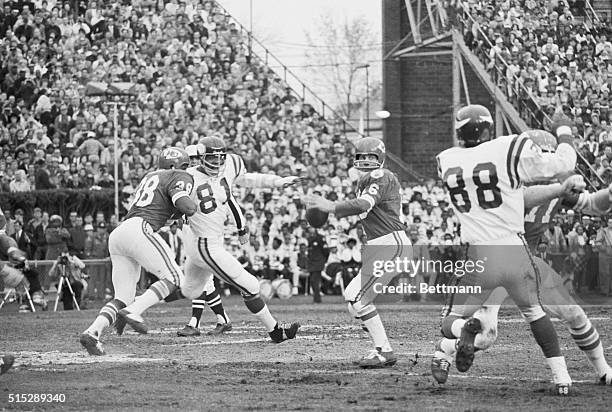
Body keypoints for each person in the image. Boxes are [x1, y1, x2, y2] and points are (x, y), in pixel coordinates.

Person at [432, 128, 612, 387]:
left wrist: (608, 194)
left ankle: (603, 369)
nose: (545, 162)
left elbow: (594, 205)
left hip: (526, 263)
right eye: (542, 155)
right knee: (485, 336)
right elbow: (526, 197)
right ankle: (444, 349)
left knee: (574, 313)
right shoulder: (510, 178)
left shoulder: (551, 186)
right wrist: (558, 188)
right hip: (499, 255)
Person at [175, 137, 301, 343]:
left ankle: (135, 306)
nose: (216, 163)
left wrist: (277, 181)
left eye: (219, 158)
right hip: (205, 244)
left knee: (189, 290)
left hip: (207, 243)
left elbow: (249, 180)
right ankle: (276, 331)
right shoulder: (188, 177)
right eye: (211, 158)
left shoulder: (230, 166)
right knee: (251, 285)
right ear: (200, 157)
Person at [80, 147, 198, 356]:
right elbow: (186, 205)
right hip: (140, 229)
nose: (187, 170)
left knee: (123, 296)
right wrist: (193, 209)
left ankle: (92, 332)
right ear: (173, 166)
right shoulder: (178, 175)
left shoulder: (150, 176)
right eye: (184, 166)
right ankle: (134, 311)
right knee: (175, 277)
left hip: (119, 233)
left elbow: (162, 205)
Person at [305, 136, 410, 368]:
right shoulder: (365, 181)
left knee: (358, 299)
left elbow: (363, 205)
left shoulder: (382, 175)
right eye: (360, 157)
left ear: (380, 158)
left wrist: (331, 207)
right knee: (353, 300)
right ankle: (382, 347)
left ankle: (384, 350)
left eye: (370, 157)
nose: (364, 161)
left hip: (390, 244)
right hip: (380, 246)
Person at [306, 227, 329, 303]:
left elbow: (326, 250)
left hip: (318, 262)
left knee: (314, 280)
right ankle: (316, 298)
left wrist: (323, 260)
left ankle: (317, 299)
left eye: (311, 228)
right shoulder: (309, 238)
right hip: (311, 262)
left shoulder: (321, 238)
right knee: (312, 281)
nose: (310, 230)